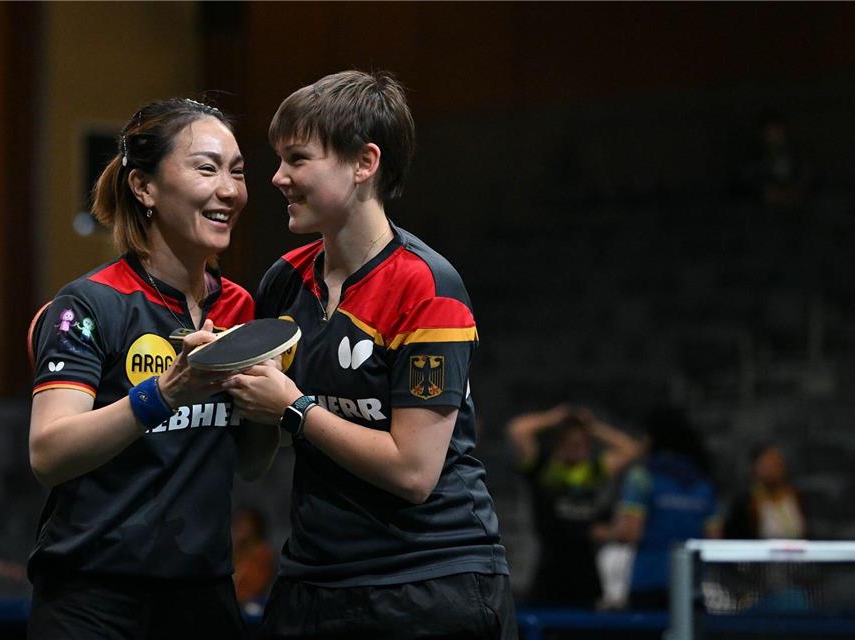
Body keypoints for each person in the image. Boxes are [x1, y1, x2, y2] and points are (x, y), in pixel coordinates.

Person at [222, 70, 517, 638]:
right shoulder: (283, 282)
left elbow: (413, 472)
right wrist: (223, 373)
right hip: (313, 582)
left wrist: (295, 408)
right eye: (278, 159)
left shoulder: (427, 286)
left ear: (364, 163)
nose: (278, 177)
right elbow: (261, 444)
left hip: (430, 582)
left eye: (298, 158)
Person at [26, 98, 278, 639]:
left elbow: (252, 464)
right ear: (144, 187)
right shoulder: (89, 305)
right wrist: (164, 394)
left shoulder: (239, 309)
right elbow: (49, 453)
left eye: (237, 171)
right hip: (92, 599)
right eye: (207, 168)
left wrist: (274, 404)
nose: (230, 190)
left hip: (202, 593)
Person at [507, 404, 640, 607]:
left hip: (586, 572)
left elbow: (630, 449)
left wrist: (593, 427)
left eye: (581, 443)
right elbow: (518, 429)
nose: (575, 448)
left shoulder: (593, 471)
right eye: (570, 443)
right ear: (559, 444)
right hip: (549, 570)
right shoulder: (543, 467)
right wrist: (555, 417)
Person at [593, 406, 721, 610]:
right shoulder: (704, 483)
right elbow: (714, 539)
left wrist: (600, 532)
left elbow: (629, 533)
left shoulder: (642, 478)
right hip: (693, 585)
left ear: (652, 439)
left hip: (651, 582)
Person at [724, 443, 807, 540]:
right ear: (755, 468)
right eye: (766, 464)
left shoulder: (796, 496)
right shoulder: (745, 502)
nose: (771, 469)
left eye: (776, 463)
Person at [231, 507, 276, 613]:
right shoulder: (234, 552)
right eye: (239, 523)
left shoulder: (264, 554)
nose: (242, 528)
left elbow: (257, 584)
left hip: (252, 605)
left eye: (246, 523)